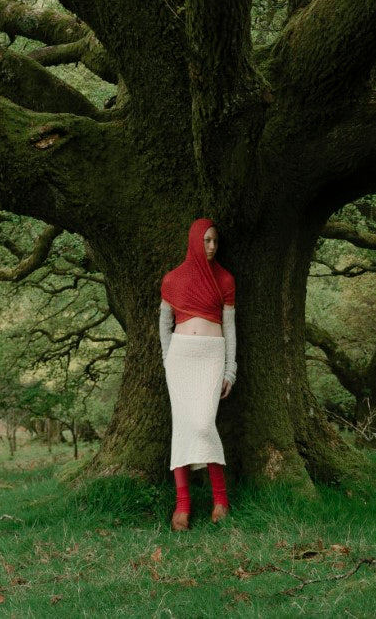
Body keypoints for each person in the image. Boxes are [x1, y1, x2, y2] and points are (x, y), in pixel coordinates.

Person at [159, 218, 237, 531]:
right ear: (194, 241)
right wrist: (168, 359)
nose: (212, 247)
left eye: (215, 241)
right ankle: (183, 505)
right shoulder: (172, 279)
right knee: (182, 428)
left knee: (204, 424)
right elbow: (164, 324)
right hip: (180, 358)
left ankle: (221, 497)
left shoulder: (225, 279)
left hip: (211, 356)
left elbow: (230, 328)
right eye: (206, 241)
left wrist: (230, 368)